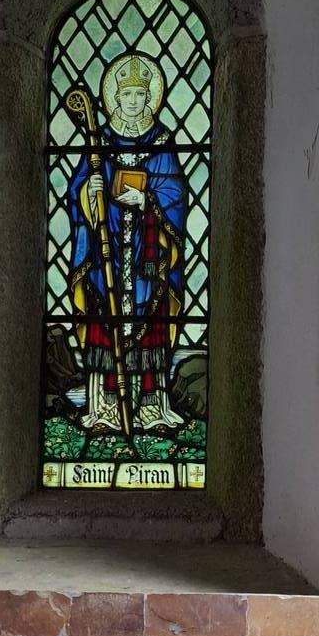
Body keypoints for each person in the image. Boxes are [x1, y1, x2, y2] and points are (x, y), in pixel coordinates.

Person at [67, 53, 188, 433]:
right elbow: (77, 191)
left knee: (151, 325)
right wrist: (90, 192)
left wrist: (147, 198)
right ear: (115, 98)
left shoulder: (162, 142)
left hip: (148, 256)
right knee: (104, 320)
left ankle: (152, 408)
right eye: (127, 94)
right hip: (107, 252)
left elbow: (176, 193)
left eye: (140, 94)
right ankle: (103, 407)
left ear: (150, 97)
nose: (133, 101)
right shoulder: (99, 141)